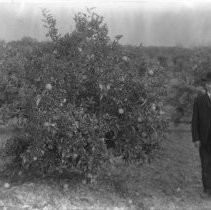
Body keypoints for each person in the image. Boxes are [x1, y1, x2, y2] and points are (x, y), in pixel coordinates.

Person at [192, 72, 211, 198]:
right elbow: (195, 121)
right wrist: (196, 138)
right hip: (205, 138)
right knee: (206, 164)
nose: (210, 85)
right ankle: (208, 188)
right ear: (206, 85)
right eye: (208, 83)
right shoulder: (199, 100)